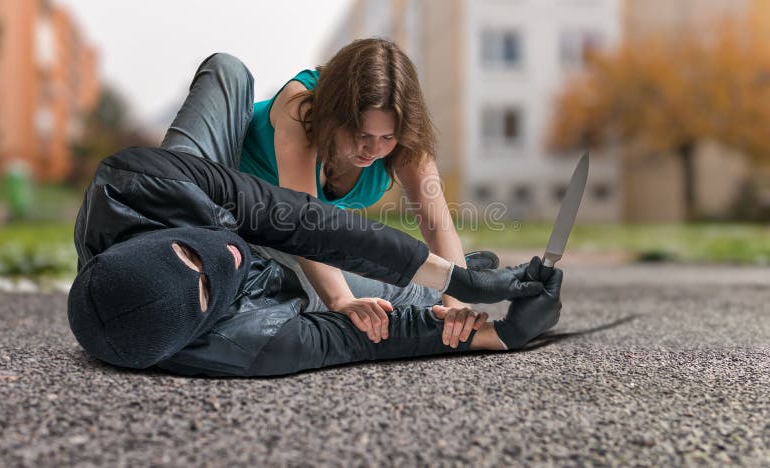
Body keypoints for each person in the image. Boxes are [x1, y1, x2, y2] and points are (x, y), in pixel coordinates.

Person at [68, 146, 562, 377]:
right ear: (198, 328)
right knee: (391, 301)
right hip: (266, 281)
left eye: (187, 252)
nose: (227, 256)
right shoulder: (251, 345)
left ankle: (439, 276)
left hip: (208, 199)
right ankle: (426, 284)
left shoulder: (139, 182)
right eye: (203, 290)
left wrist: (463, 280)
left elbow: (308, 223)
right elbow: (357, 342)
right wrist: (498, 337)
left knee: (228, 70)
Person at [160, 40, 487, 344]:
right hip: (220, 201)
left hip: (268, 240)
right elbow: (305, 224)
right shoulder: (302, 108)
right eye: (361, 133)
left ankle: (444, 280)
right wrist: (340, 300)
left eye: (386, 138)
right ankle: (160, 225)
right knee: (227, 66)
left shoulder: (405, 138)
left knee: (352, 278)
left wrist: (458, 300)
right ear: (334, 116)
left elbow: (437, 222)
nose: (372, 149)